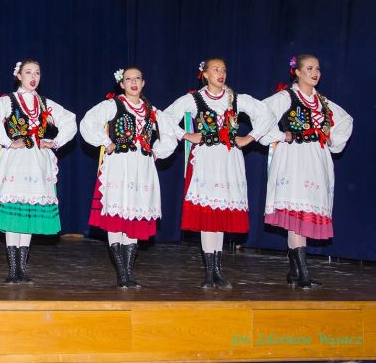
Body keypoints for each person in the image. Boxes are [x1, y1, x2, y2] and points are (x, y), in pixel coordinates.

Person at [163, 58, 274, 288]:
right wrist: (186, 135)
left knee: (221, 214)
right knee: (208, 216)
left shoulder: (236, 99)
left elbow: (268, 115)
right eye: (215, 70)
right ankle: (208, 272)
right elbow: (165, 117)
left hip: (229, 160)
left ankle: (217, 271)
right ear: (205, 74)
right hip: (206, 159)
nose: (221, 73)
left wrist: (249, 138)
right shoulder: (194, 99)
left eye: (223, 69)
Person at [259, 54, 353, 288]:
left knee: (303, 215)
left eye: (318, 69)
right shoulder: (286, 97)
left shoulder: (322, 102)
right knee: (295, 215)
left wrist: (332, 139)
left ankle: (295, 272)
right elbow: (259, 114)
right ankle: (303, 275)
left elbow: (346, 120)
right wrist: (281, 135)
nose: (315, 73)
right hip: (294, 159)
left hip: (316, 161)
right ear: (298, 72)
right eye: (309, 68)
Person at [79, 67, 179, 288]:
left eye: (137, 79)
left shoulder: (153, 111)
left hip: (142, 169)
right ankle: (122, 273)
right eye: (128, 79)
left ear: (143, 83)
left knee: (134, 217)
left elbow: (170, 135)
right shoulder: (113, 105)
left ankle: (129, 272)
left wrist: (157, 151)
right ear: (122, 84)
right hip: (118, 166)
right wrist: (106, 142)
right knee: (117, 217)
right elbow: (88, 122)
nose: (133, 83)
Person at [0, 60, 77, 284]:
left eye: (37, 73)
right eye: (28, 72)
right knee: (13, 215)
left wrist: (55, 141)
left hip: (37, 163)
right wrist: (8, 141)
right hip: (14, 162)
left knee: (28, 215)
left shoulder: (45, 103)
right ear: (19, 76)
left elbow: (70, 120)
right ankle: (12, 269)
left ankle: (22, 269)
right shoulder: (7, 101)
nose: (33, 77)